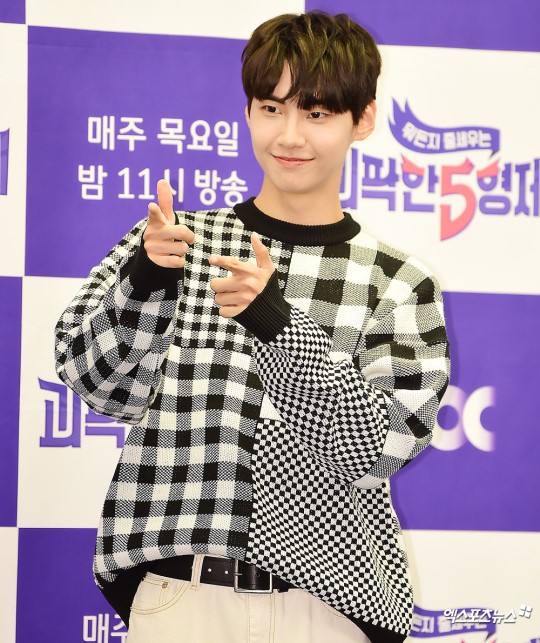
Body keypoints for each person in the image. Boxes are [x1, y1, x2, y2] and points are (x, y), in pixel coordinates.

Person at [55, 11, 450, 643]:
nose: (289, 135)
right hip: (182, 597)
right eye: (271, 108)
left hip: (325, 610)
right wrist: (147, 280)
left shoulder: (397, 282)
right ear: (247, 112)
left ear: (363, 119)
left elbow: (383, 449)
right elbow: (93, 380)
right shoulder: (179, 241)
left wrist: (278, 324)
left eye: (316, 113)